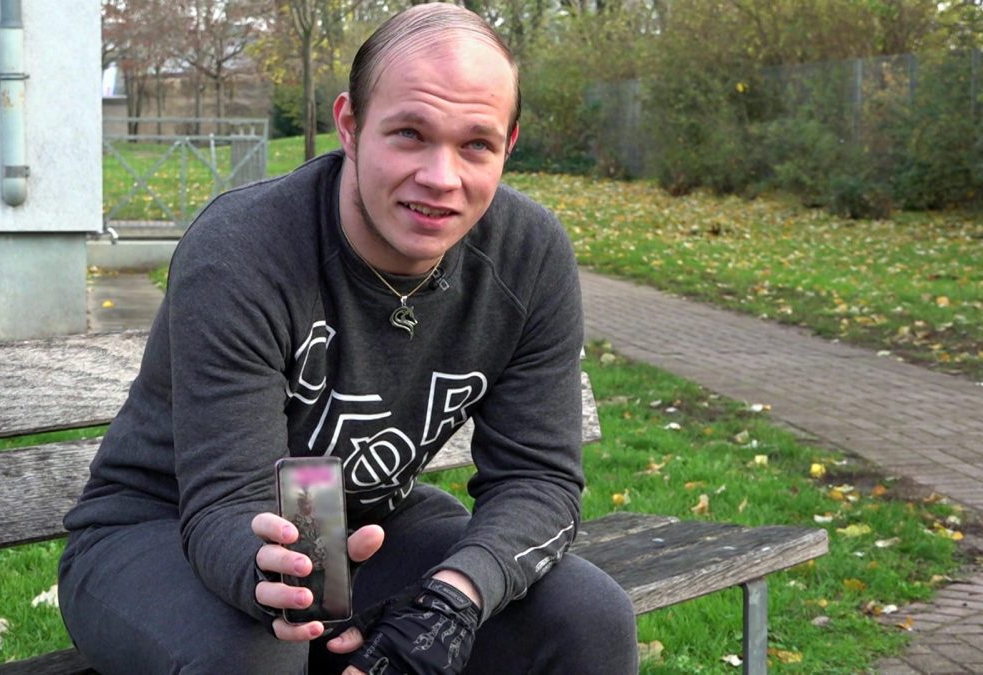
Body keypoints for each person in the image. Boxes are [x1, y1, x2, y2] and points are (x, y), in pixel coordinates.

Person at [57, 4, 638, 673]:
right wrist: (296, 589)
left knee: (588, 617)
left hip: (369, 527)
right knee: (260, 656)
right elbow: (226, 500)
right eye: (410, 134)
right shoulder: (242, 252)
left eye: (474, 143)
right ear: (350, 127)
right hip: (166, 528)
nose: (441, 178)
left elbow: (539, 480)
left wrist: (453, 598)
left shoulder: (529, 255)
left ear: (508, 145)